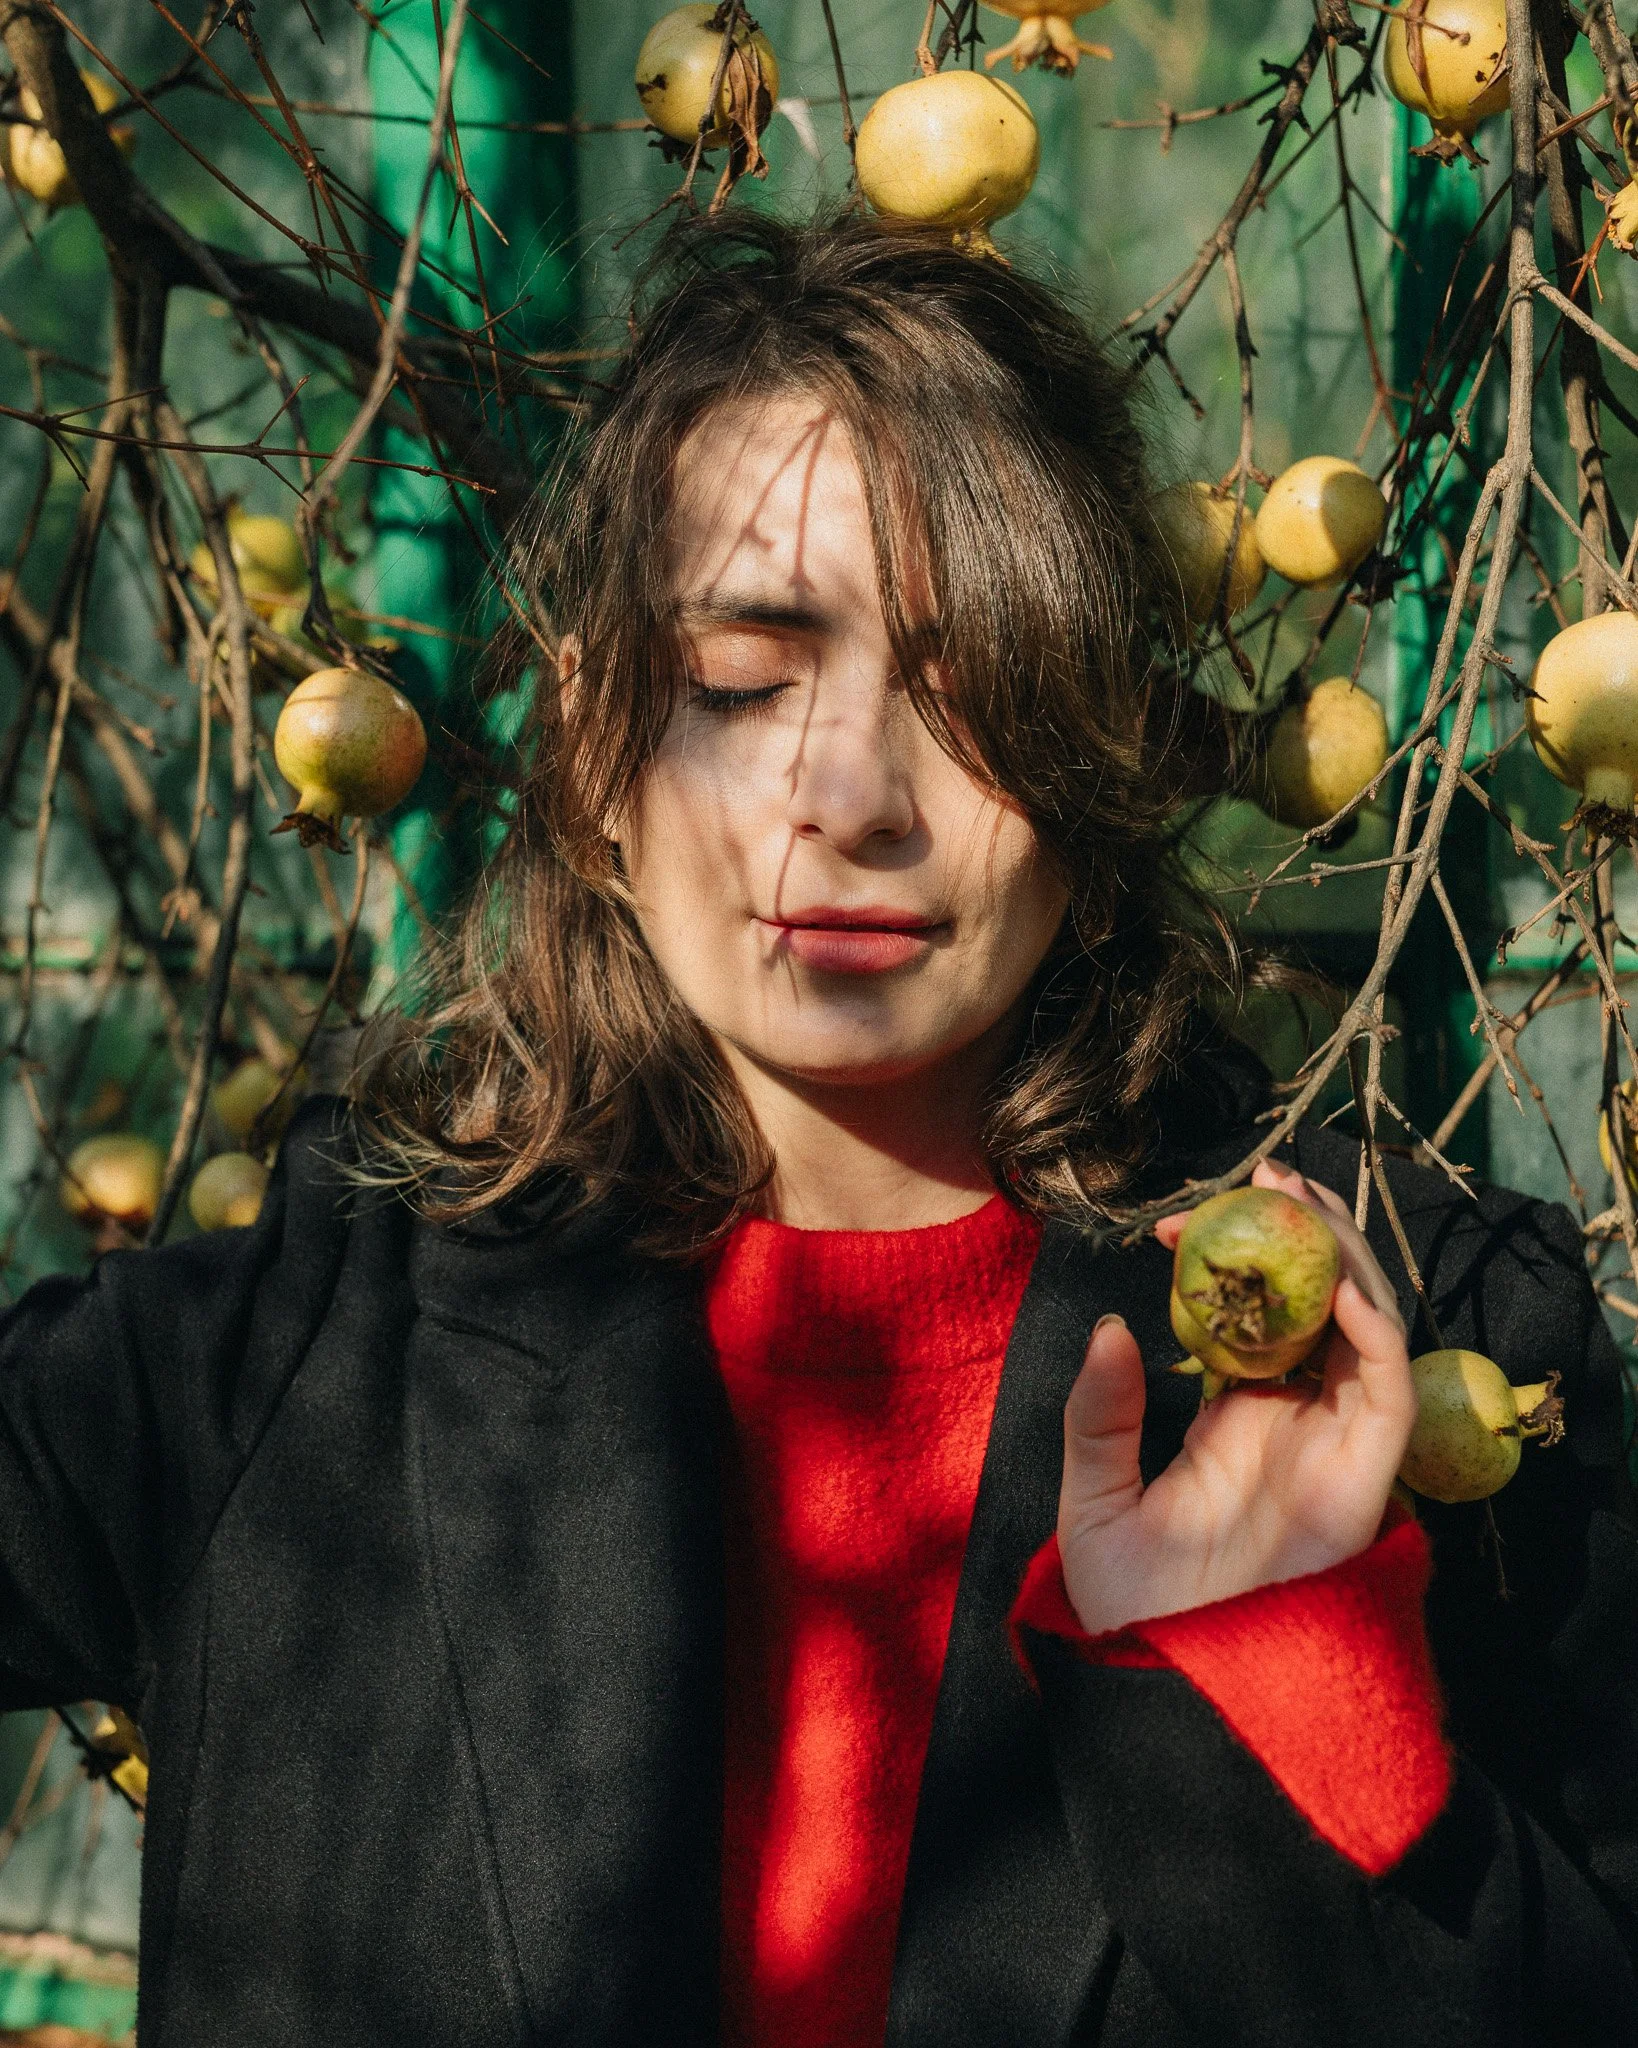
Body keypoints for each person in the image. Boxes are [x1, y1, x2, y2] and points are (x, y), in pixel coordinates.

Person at [1, 212, 1634, 2048]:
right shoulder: (280, 1364)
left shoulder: (1425, 1350)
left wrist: (1276, 1679)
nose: (850, 795)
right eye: (741, 680)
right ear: (595, 760)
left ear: (1099, 771)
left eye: (971, 692)